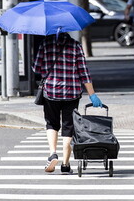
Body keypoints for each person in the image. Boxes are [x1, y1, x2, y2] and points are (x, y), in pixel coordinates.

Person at [32, 32, 103, 174]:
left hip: (51, 92)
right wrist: (92, 95)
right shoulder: (75, 45)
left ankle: (52, 153)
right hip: (72, 93)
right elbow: (84, 72)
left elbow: (36, 68)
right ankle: (65, 163)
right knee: (68, 127)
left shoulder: (45, 44)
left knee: (51, 123)